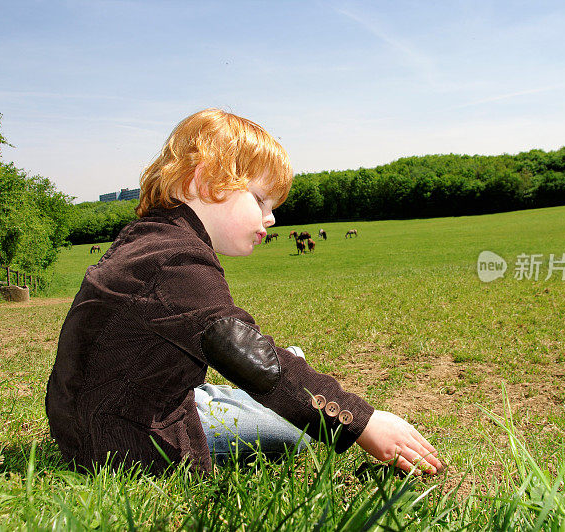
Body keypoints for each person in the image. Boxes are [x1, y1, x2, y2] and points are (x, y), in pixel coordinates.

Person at [45, 108, 443, 476]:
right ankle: (264, 398)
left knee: (285, 369)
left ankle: (255, 392)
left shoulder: (149, 240)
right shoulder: (177, 262)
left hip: (91, 417)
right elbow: (254, 361)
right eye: (260, 199)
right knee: (295, 431)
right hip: (126, 442)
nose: (271, 217)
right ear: (203, 181)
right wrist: (362, 422)